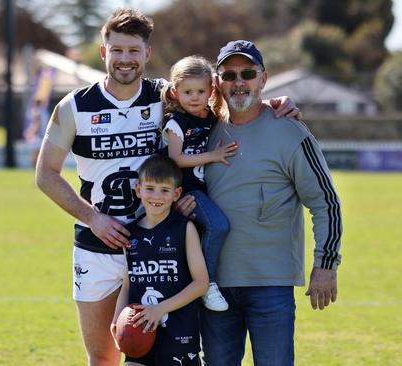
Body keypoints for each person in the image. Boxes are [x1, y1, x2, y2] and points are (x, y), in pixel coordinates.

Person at [34, 8, 300, 366]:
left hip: (159, 247)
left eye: (133, 50)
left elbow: (215, 104)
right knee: (104, 357)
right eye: (117, 50)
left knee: (170, 356)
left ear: (147, 53)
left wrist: (270, 104)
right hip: (97, 247)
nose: (125, 59)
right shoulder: (75, 107)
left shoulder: (165, 97)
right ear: (103, 53)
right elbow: (46, 175)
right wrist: (92, 218)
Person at [199, 40, 343, 366]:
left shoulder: (290, 131)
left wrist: (326, 264)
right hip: (212, 286)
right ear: (216, 81)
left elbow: (326, 202)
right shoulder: (200, 129)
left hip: (270, 286)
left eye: (247, 73)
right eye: (229, 74)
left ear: (263, 79)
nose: (239, 82)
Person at [111, 154, 208, 366]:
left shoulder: (184, 229)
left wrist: (161, 308)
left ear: (177, 193)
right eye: (150, 188)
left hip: (179, 335)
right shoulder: (131, 234)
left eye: (165, 190)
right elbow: (128, 284)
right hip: (140, 331)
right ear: (138, 189)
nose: (157, 196)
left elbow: (201, 283)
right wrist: (117, 317)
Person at [161, 55, 236, 311]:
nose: (194, 97)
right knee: (219, 226)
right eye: (188, 91)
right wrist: (213, 156)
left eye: (201, 91)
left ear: (211, 91)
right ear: (175, 92)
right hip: (188, 191)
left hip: (206, 189)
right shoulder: (176, 123)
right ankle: (206, 284)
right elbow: (175, 159)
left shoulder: (212, 118)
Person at [24, 99, 50, 166]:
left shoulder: (38, 112)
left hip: (38, 136)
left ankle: (37, 173)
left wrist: (31, 132)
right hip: (44, 135)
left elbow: (37, 123)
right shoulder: (45, 112)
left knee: (35, 157)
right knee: (41, 157)